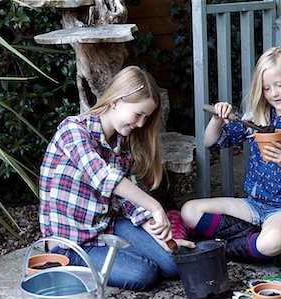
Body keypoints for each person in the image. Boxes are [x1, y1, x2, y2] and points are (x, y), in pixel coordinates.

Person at [39, 65, 194, 291]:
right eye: (138, 114)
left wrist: (159, 238)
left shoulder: (121, 147)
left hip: (105, 228)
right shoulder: (73, 130)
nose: (141, 124)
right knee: (144, 273)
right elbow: (103, 178)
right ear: (116, 101)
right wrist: (155, 207)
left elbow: (129, 201)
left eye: (146, 117)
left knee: (172, 264)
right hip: (70, 244)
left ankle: (129, 253)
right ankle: (69, 265)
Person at [181, 46, 281, 262]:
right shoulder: (256, 120)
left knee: (272, 241)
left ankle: (229, 249)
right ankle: (256, 245)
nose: (274, 93)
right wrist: (217, 118)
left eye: (280, 85)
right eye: (266, 88)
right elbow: (211, 142)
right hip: (253, 206)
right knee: (189, 211)